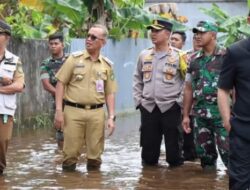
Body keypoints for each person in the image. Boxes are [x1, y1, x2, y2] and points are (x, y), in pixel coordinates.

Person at [54, 24, 117, 171]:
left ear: (103, 42)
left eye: (93, 37)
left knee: (95, 157)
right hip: (73, 111)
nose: (88, 39)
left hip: (97, 113)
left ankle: (94, 184)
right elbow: (60, 84)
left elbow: (110, 92)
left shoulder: (107, 65)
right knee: (69, 156)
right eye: (87, 35)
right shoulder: (73, 59)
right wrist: (59, 111)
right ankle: (69, 184)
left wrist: (111, 117)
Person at [133, 19, 186, 167]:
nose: (153, 33)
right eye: (152, 30)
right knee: (148, 156)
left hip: (171, 108)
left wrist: (179, 103)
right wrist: (139, 101)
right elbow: (137, 78)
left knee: (174, 155)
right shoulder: (144, 55)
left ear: (168, 34)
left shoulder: (179, 56)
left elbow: (187, 82)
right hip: (148, 108)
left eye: (157, 31)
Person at [182, 21, 229, 170]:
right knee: (205, 159)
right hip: (200, 117)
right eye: (196, 33)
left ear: (213, 35)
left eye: (202, 33)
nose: (197, 36)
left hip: (223, 116)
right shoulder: (193, 60)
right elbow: (188, 88)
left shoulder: (227, 56)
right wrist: (185, 116)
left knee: (230, 155)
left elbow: (236, 86)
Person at [217, 13, 250, 190]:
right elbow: (223, 89)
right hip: (243, 130)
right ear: (249, 21)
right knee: (239, 181)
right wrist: (227, 120)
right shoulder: (236, 52)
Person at [0, 20, 25, 174]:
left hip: (4, 111)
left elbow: (19, 86)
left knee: (2, 142)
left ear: (7, 37)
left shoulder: (14, 60)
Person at [40, 32, 67, 150]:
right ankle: (62, 155)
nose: (53, 46)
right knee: (60, 133)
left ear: (62, 45)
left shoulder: (71, 60)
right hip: (58, 103)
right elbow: (46, 84)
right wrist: (61, 95)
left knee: (78, 131)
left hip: (76, 103)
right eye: (51, 44)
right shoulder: (46, 63)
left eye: (56, 43)